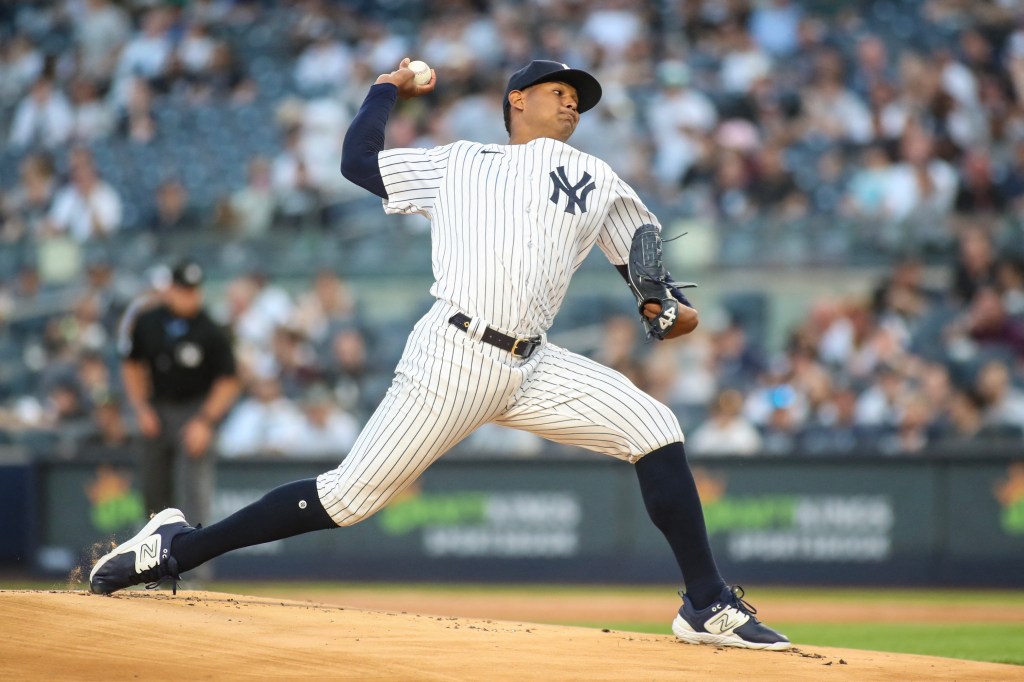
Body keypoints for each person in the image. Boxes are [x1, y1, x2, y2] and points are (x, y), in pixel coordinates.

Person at [90, 59, 789, 651]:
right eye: (557, 90)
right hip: (453, 353)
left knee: (654, 426)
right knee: (347, 498)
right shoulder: (460, 162)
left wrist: (664, 312)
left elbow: (655, 289)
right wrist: (385, 86)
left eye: (579, 97)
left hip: (534, 363)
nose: (572, 100)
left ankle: (707, 603)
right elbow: (356, 162)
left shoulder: (598, 177)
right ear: (516, 100)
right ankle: (175, 546)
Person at [119, 259, 240, 529]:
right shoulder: (148, 322)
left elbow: (229, 380)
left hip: (195, 409)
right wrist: (141, 408)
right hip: (156, 407)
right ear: (171, 289)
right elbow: (132, 365)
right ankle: (152, 561)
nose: (190, 297)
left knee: (194, 491)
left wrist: (206, 421)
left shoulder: (211, 328)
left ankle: (196, 567)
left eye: (195, 290)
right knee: (153, 489)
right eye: (184, 290)